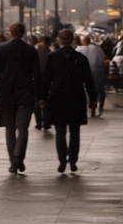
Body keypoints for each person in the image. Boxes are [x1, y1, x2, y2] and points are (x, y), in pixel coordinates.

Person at [0, 21, 43, 174]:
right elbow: (37, 75)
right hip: (26, 93)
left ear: (10, 32)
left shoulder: (1, 49)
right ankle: (19, 157)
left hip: (6, 93)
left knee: (9, 129)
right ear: (23, 33)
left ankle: (13, 161)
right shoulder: (30, 50)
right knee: (23, 128)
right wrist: (41, 96)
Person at [43, 29, 97, 173]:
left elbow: (46, 80)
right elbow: (88, 81)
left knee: (60, 132)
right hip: (76, 98)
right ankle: (73, 160)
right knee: (75, 131)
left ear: (58, 40)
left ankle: (62, 160)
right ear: (73, 40)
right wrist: (93, 99)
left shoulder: (52, 57)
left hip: (57, 98)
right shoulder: (81, 58)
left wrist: (42, 98)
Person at [77, 34, 108, 117]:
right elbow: (103, 59)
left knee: (87, 92)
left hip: (83, 73)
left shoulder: (79, 49)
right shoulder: (97, 49)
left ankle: (90, 108)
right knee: (97, 91)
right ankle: (95, 108)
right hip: (97, 72)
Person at [33, 34, 53, 132]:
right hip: (46, 77)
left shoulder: (35, 49)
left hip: (36, 78)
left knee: (37, 100)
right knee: (46, 100)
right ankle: (46, 122)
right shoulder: (50, 51)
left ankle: (38, 123)